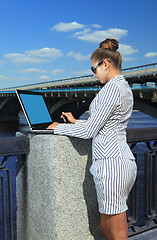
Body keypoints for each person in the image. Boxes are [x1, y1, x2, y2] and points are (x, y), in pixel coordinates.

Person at [47, 38, 137, 240]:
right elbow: (100, 126)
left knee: (116, 231)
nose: (94, 74)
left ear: (105, 64)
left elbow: (90, 132)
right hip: (118, 161)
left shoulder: (112, 89)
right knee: (106, 227)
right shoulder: (122, 86)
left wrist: (58, 128)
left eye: (93, 69)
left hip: (111, 165)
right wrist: (74, 122)